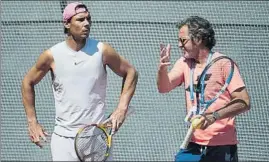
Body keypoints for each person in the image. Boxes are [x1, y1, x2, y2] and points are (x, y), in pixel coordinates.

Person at [21, 2, 138, 161]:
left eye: (89, 19)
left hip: (96, 138)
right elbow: (27, 82)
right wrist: (32, 122)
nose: (87, 23)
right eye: (80, 19)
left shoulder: (102, 50)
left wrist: (121, 109)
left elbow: (131, 72)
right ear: (67, 23)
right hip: (63, 141)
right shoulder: (51, 55)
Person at [157, 16, 250, 162]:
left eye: (183, 40)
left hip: (222, 146)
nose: (179, 45)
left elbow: (243, 102)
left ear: (198, 39)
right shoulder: (184, 63)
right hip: (193, 143)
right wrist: (162, 68)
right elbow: (163, 87)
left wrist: (214, 116)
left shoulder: (223, 63)